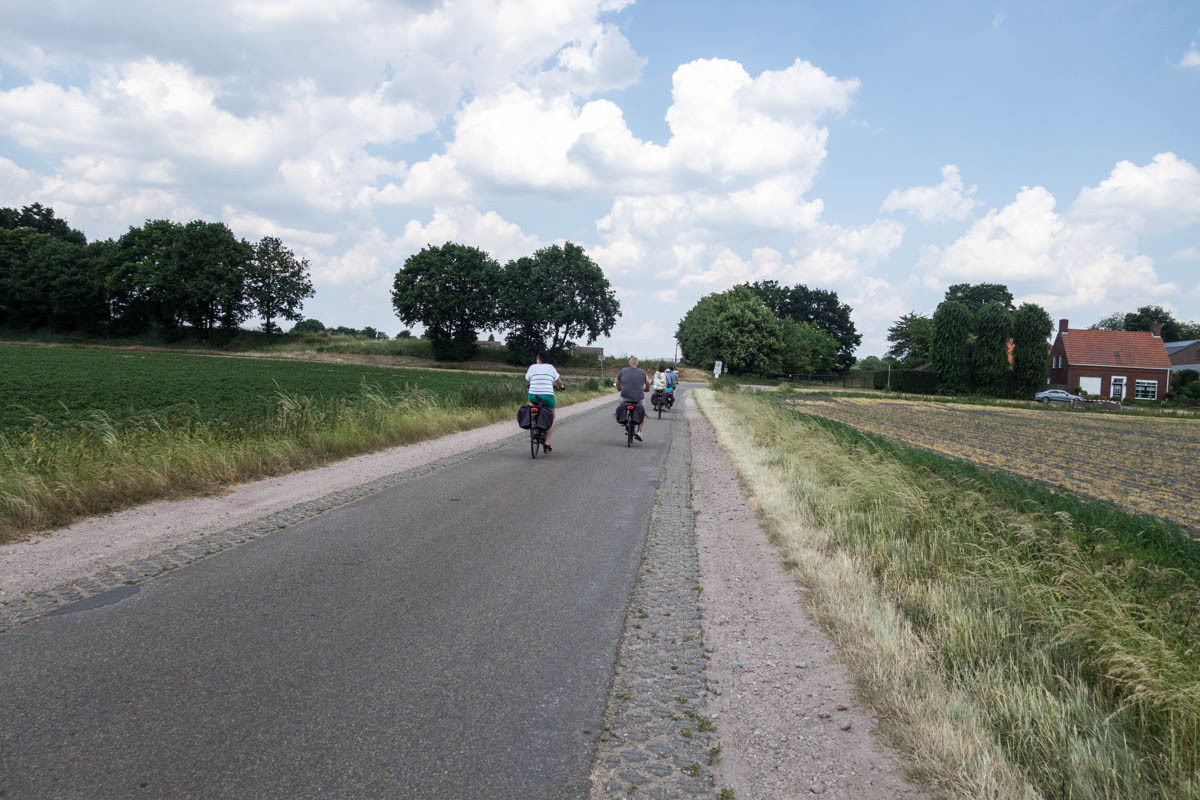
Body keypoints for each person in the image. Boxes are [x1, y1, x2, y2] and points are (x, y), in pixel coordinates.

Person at [525, 351, 564, 452]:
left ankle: (532, 421)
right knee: (552, 416)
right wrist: (561, 387)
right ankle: (547, 443)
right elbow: (559, 381)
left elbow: (527, 379)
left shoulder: (532, 367)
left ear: (538, 359)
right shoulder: (551, 368)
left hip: (533, 395)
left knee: (532, 404)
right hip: (548, 396)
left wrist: (532, 384)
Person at [616, 356, 650, 441]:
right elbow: (648, 382)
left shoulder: (623, 370)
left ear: (629, 363)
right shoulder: (643, 372)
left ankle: (622, 417)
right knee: (642, 412)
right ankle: (639, 431)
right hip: (638, 398)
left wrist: (619, 389)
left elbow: (617, 381)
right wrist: (647, 389)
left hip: (625, 397)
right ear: (637, 364)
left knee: (620, 401)